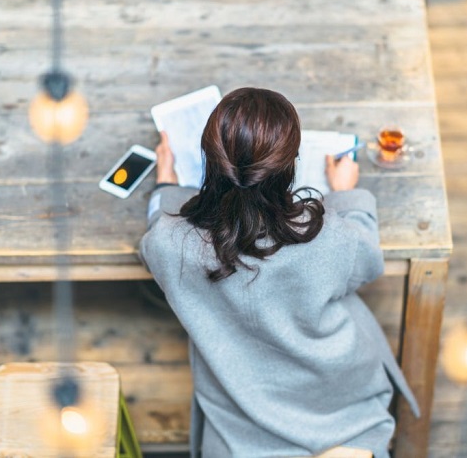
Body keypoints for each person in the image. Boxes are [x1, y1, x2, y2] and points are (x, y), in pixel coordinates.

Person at [139, 87, 419, 458]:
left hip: (240, 426)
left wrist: (166, 184)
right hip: (335, 403)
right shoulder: (325, 236)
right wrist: (346, 195)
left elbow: (159, 226)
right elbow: (366, 261)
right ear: (289, 169)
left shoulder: (169, 243)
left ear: (211, 163)